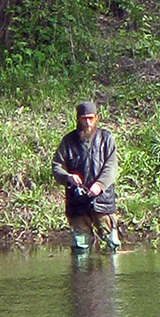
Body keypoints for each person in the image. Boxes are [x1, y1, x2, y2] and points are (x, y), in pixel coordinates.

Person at [52, 101, 121, 253]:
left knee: (112, 245)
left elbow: (111, 167)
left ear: (97, 118)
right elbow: (57, 167)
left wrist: (100, 185)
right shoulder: (68, 142)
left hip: (103, 202)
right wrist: (68, 177)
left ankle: (111, 278)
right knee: (80, 249)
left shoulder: (106, 139)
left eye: (90, 118)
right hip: (77, 204)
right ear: (77, 118)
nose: (87, 122)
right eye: (84, 118)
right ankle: (82, 277)